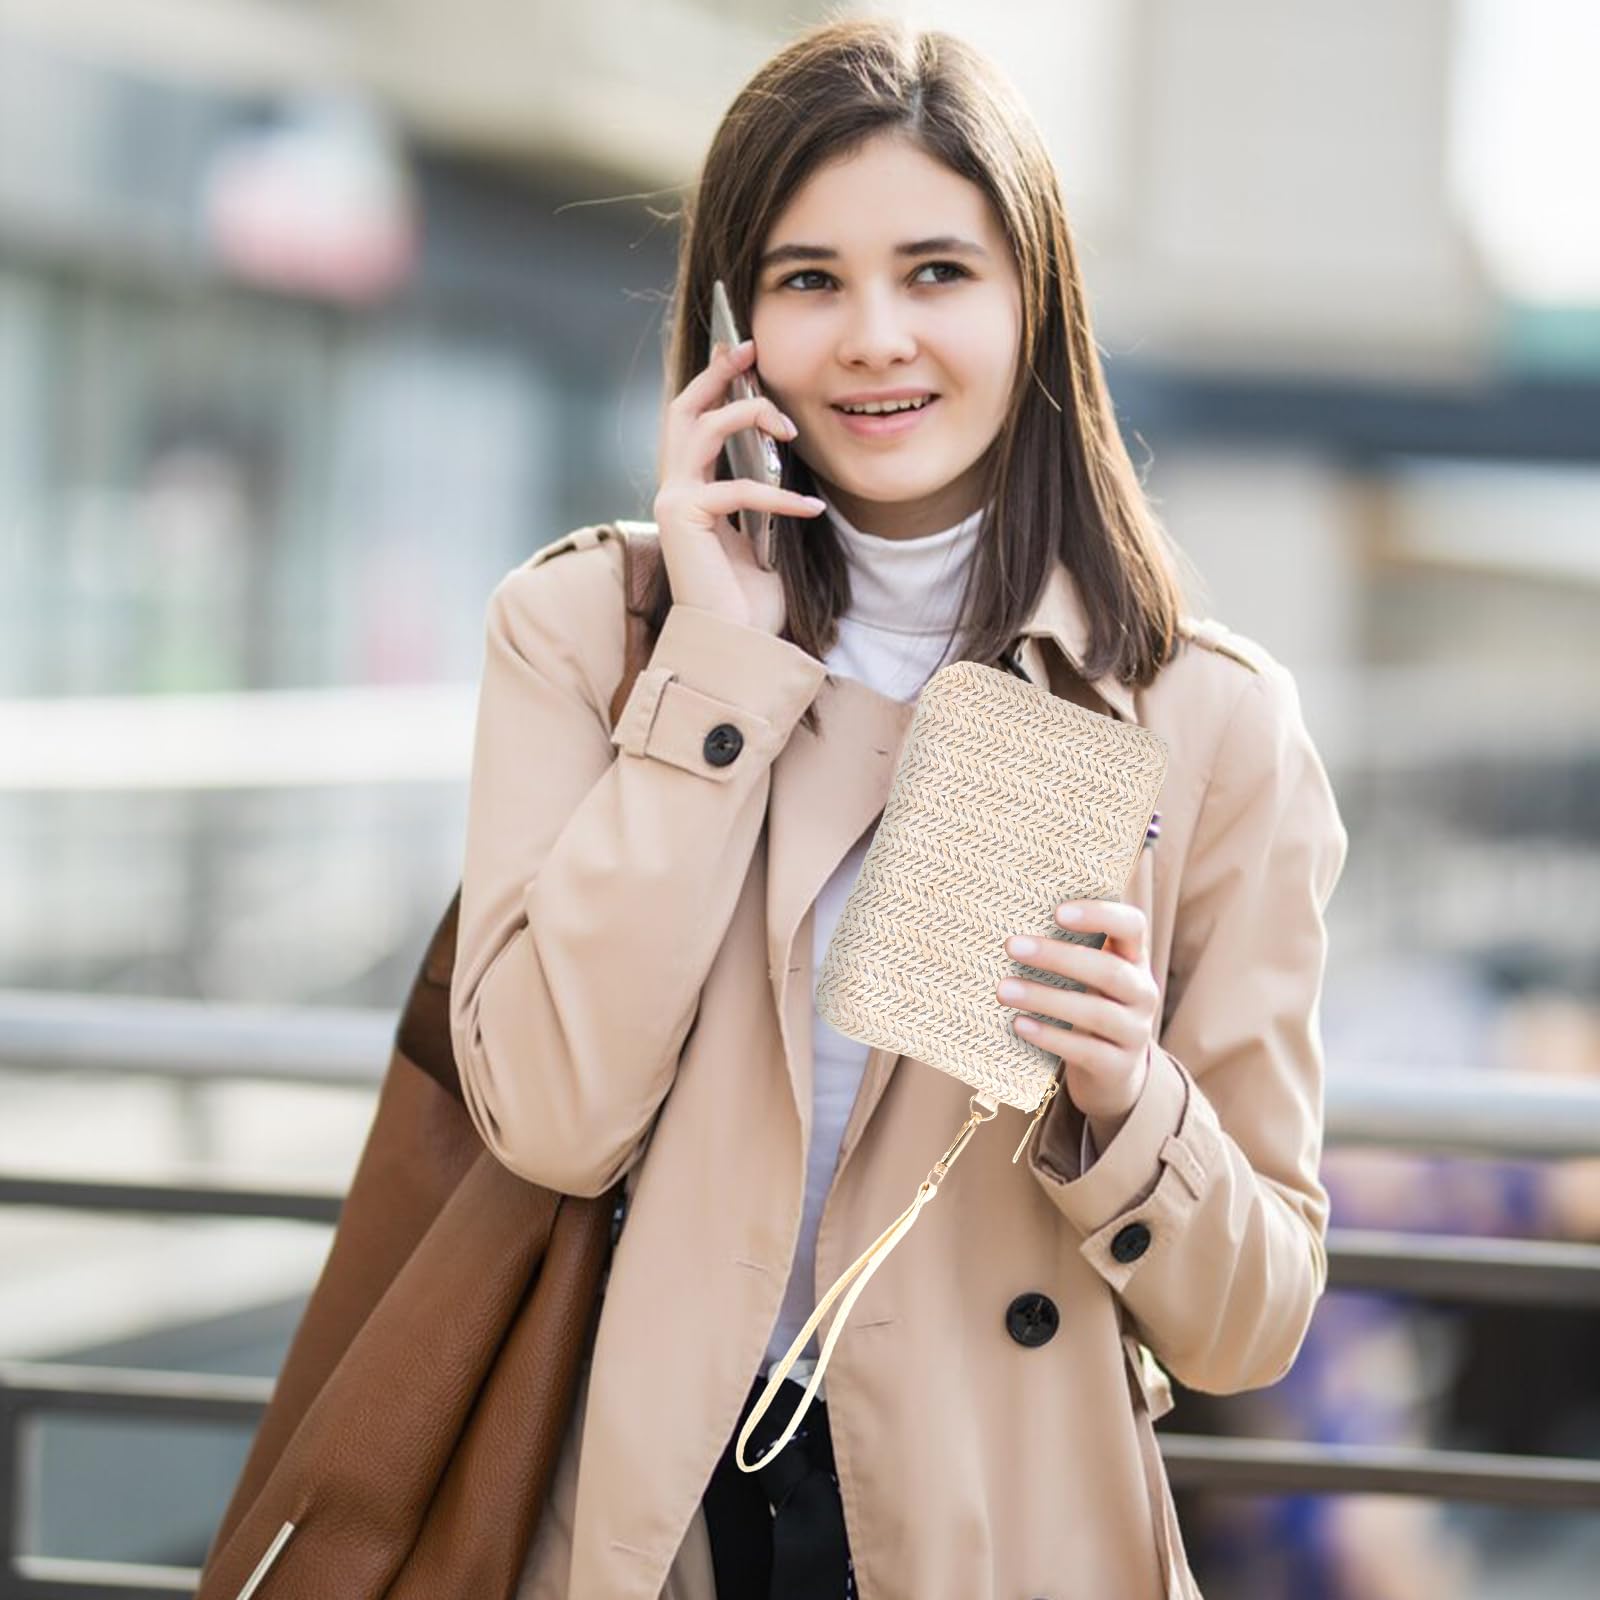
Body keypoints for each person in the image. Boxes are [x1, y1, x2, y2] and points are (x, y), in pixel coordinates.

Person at [448, 17, 1349, 1600]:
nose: (874, 337)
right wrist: (717, 675)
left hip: (1001, 1533)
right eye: (810, 279)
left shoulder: (1204, 719)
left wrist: (1126, 1096)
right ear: (732, 321)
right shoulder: (589, 634)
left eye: (938, 272)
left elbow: (1251, 1320)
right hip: (657, 1517)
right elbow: (552, 1116)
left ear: (1033, 303)